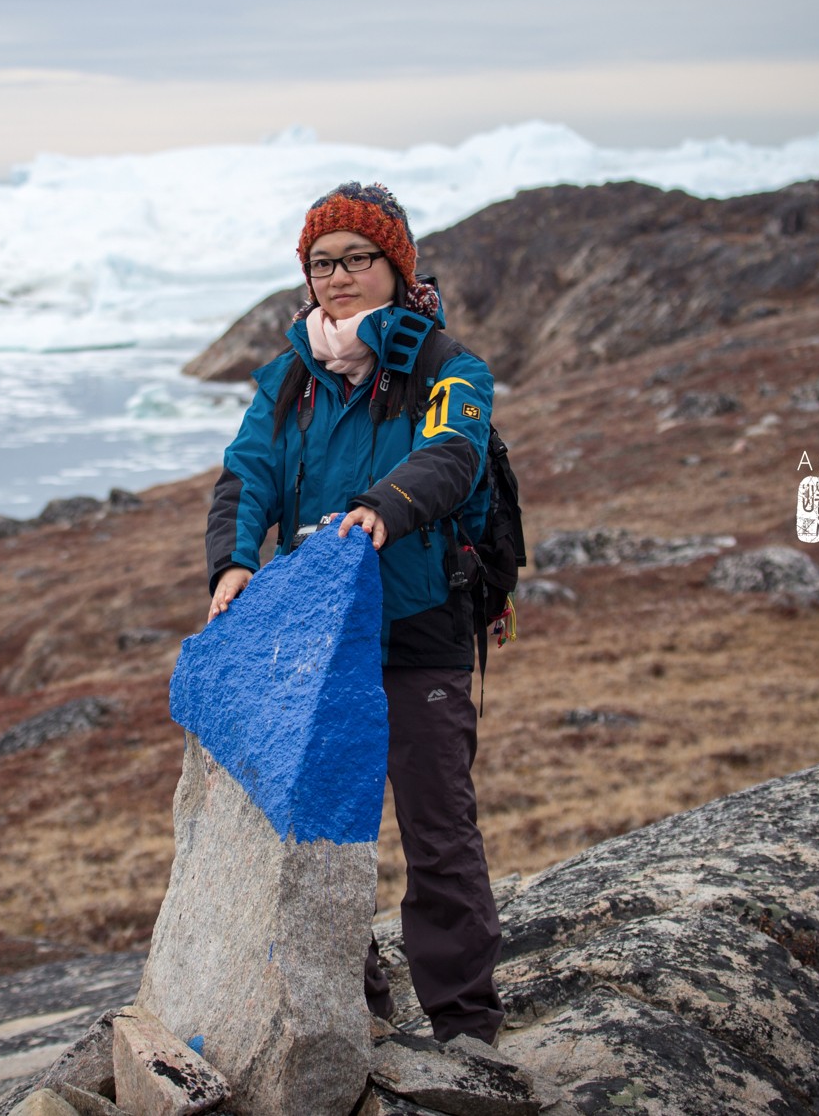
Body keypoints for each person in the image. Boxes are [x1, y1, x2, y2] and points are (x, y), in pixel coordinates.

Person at [204, 181, 504, 1044]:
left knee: (437, 830)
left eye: (356, 259)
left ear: (395, 266)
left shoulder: (448, 366)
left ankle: (466, 1026)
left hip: (418, 632)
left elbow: (454, 451)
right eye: (320, 262)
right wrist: (231, 561)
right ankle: (352, 1015)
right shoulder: (288, 378)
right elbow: (245, 473)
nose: (336, 277)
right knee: (323, 840)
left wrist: (386, 504)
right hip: (318, 643)